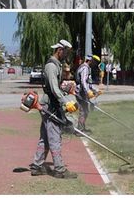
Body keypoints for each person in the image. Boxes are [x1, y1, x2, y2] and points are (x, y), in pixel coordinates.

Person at [30, 39, 79, 179]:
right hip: (50, 105)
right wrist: (65, 102)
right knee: (54, 137)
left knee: (45, 137)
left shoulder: (56, 64)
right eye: (66, 52)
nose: (67, 56)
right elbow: (53, 88)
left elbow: (56, 86)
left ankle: (36, 166)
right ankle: (59, 169)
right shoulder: (51, 66)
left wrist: (65, 88)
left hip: (49, 103)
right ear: (60, 50)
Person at [75, 54, 101, 133]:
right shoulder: (85, 68)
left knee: (85, 111)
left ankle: (82, 128)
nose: (95, 64)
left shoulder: (87, 68)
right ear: (90, 60)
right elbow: (83, 82)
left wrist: (95, 90)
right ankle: (80, 130)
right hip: (81, 92)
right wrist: (88, 92)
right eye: (95, 62)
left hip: (83, 92)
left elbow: (88, 83)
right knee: (83, 111)